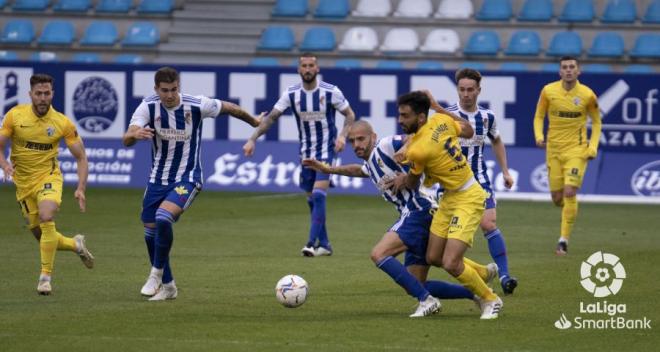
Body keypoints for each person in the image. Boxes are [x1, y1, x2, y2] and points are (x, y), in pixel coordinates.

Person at [302, 120, 497, 317]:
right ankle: (476, 292)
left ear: (374, 137)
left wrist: (404, 149)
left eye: (361, 139)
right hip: (422, 214)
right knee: (415, 282)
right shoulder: (370, 163)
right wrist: (328, 169)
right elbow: (358, 170)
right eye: (352, 141)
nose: (357, 144)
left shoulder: (386, 145)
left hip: (418, 211)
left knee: (379, 254)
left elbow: (415, 137)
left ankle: (427, 300)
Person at [123, 67, 262, 301]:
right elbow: (127, 136)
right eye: (164, 90)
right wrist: (133, 136)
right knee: (150, 235)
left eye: (173, 89)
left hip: (188, 177)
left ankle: (155, 274)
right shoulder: (148, 106)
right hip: (157, 179)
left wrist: (254, 121)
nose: (169, 95)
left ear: (179, 86)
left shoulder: (196, 104)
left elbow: (231, 108)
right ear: (156, 89)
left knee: (163, 218)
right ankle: (168, 287)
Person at [392, 91, 503, 320]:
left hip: (468, 197)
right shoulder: (440, 120)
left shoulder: (418, 150)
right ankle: (482, 272)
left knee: (451, 263)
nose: (400, 120)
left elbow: (413, 184)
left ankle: (490, 299)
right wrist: (438, 107)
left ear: (421, 118)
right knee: (434, 257)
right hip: (449, 198)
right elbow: (469, 130)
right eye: (399, 115)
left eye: (405, 116)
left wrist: (403, 175)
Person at [243, 53, 356, 257]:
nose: (307, 69)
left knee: (320, 195)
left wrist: (342, 136)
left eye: (311, 65)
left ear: (317, 68)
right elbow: (271, 118)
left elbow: (350, 114)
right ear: (298, 69)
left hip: (325, 152)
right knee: (312, 200)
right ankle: (326, 245)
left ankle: (311, 243)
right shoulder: (292, 94)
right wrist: (252, 139)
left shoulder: (331, 91)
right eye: (304, 65)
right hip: (305, 153)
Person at [0, 73, 94, 295]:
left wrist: (81, 187)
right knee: (42, 236)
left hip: (49, 177)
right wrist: (4, 164)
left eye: (47, 93)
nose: (43, 98)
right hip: (23, 183)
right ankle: (75, 244)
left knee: (47, 216)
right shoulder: (14, 116)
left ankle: (45, 278)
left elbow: (81, 157)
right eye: (39, 93)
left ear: (52, 94)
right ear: (30, 94)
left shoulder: (62, 123)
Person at [428, 68, 518, 295]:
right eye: (461, 89)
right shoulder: (444, 116)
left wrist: (505, 171)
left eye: (470, 90)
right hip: (450, 185)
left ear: (479, 90)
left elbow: (497, 141)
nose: (466, 94)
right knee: (443, 248)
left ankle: (505, 275)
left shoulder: (487, 117)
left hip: (478, 179)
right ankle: (482, 272)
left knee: (489, 224)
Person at [533, 56, 602, 256]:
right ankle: (569, 210)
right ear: (560, 71)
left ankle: (563, 240)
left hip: (577, 151)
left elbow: (597, 122)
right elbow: (538, 116)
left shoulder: (587, 95)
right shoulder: (548, 91)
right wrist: (538, 136)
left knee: (570, 191)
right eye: (565, 67)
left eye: (572, 67)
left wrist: (593, 147)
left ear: (578, 71)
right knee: (557, 198)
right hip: (553, 150)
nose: (569, 70)